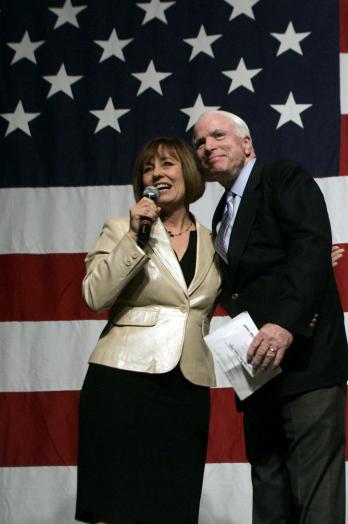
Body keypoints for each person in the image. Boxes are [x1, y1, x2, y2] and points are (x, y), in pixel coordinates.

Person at [193, 110, 348, 523]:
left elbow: (309, 243)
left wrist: (284, 322)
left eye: (217, 135)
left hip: (305, 362)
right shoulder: (220, 215)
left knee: (316, 493)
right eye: (199, 142)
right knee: (268, 489)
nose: (207, 146)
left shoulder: (282, 177)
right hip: (258, 370)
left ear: (247, 144)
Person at [75, 136, 221, 523]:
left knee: (173, 506)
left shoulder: (214, 240)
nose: (156, 173)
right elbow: (94, 294)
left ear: (188, 173)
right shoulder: (122, 228)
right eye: (147, 168)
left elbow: (247, 293)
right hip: (122, 384)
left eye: (167, 164)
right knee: (115, 505)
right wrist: (135, 240)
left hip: (186, 387)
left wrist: (303, 268)